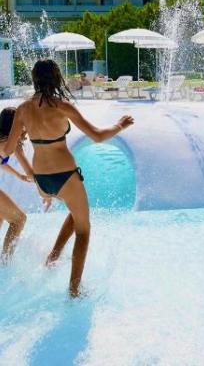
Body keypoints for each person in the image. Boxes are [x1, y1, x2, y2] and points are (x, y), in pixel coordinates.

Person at [0, 59, 134, 297]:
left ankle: (53, 257)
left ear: (34, 79)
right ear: (56, 78)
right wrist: (119, 126)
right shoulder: (63, 106)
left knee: (74, 213)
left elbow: (8, 150)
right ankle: (74, 290)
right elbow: (98, 136)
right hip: (65, 176)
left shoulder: (22, 110)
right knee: (83, 229)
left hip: (42, 179)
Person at [0, 107, 33, 262]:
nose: (25, 126)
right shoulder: (11, 143)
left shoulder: (2, 139)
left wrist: (18, 175)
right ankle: (5, 266)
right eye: (22, 122)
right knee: (19, 220)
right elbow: (32, 172)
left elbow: (1, 162)